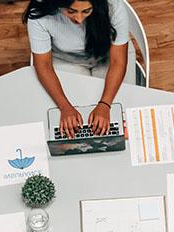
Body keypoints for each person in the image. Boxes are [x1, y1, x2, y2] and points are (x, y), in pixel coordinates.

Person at [23, 0, 130, 138]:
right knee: (65, 117)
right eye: (71, 11)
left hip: (107, 58)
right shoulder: (39, 14)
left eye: (86, 11)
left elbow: (118, 62)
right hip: (66, 61)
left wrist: (105, 104)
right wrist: (65, 107)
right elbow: (43, 66)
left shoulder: (113, 6)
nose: (79, 19)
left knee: (120, 113)